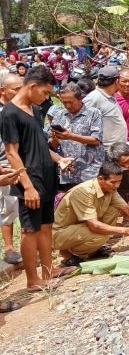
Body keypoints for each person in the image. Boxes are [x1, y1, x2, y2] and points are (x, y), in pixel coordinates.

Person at [0, 66, 74, 290]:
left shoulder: (34, 109)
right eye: (44, 93)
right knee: (30, 230)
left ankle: (49, 270)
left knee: (45, 226)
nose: (46, 98)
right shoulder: (10, 114)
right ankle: (32, 280)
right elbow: (12, 152)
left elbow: (39, 145)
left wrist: (58, 159)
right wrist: (27, 186)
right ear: (32, 86)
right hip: (30, 180)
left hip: (46, 176)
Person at [52, 161, 129, 266]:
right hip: (60, 233)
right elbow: (94, 226)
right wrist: (125, 230)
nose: (117, 185)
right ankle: (72, 254)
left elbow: (128, 209)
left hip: (80, 227)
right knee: (102, 235)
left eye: (119, 181)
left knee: (114, 209)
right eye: (113, 182)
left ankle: (92, 249)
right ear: (101, 179)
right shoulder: (84, 192)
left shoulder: (110, 189)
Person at [47, 83, 104, 191]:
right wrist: (55, 138)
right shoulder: (59, 115)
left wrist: (71, 136)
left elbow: (96, 140)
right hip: (67, 170)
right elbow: (54, 146)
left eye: (71, 102)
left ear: (80, 98)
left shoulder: (93, 113)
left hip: (89, 170)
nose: (68, 106)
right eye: (65, 103)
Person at [0, 73, 23, 265]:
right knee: (7, 208)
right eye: (15, 89)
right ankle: (9, 248)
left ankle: (27, 245)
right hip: (5, 166)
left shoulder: (21, 108)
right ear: (3, 91)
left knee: (25, 204)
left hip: (23, 162)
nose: (19, 92)